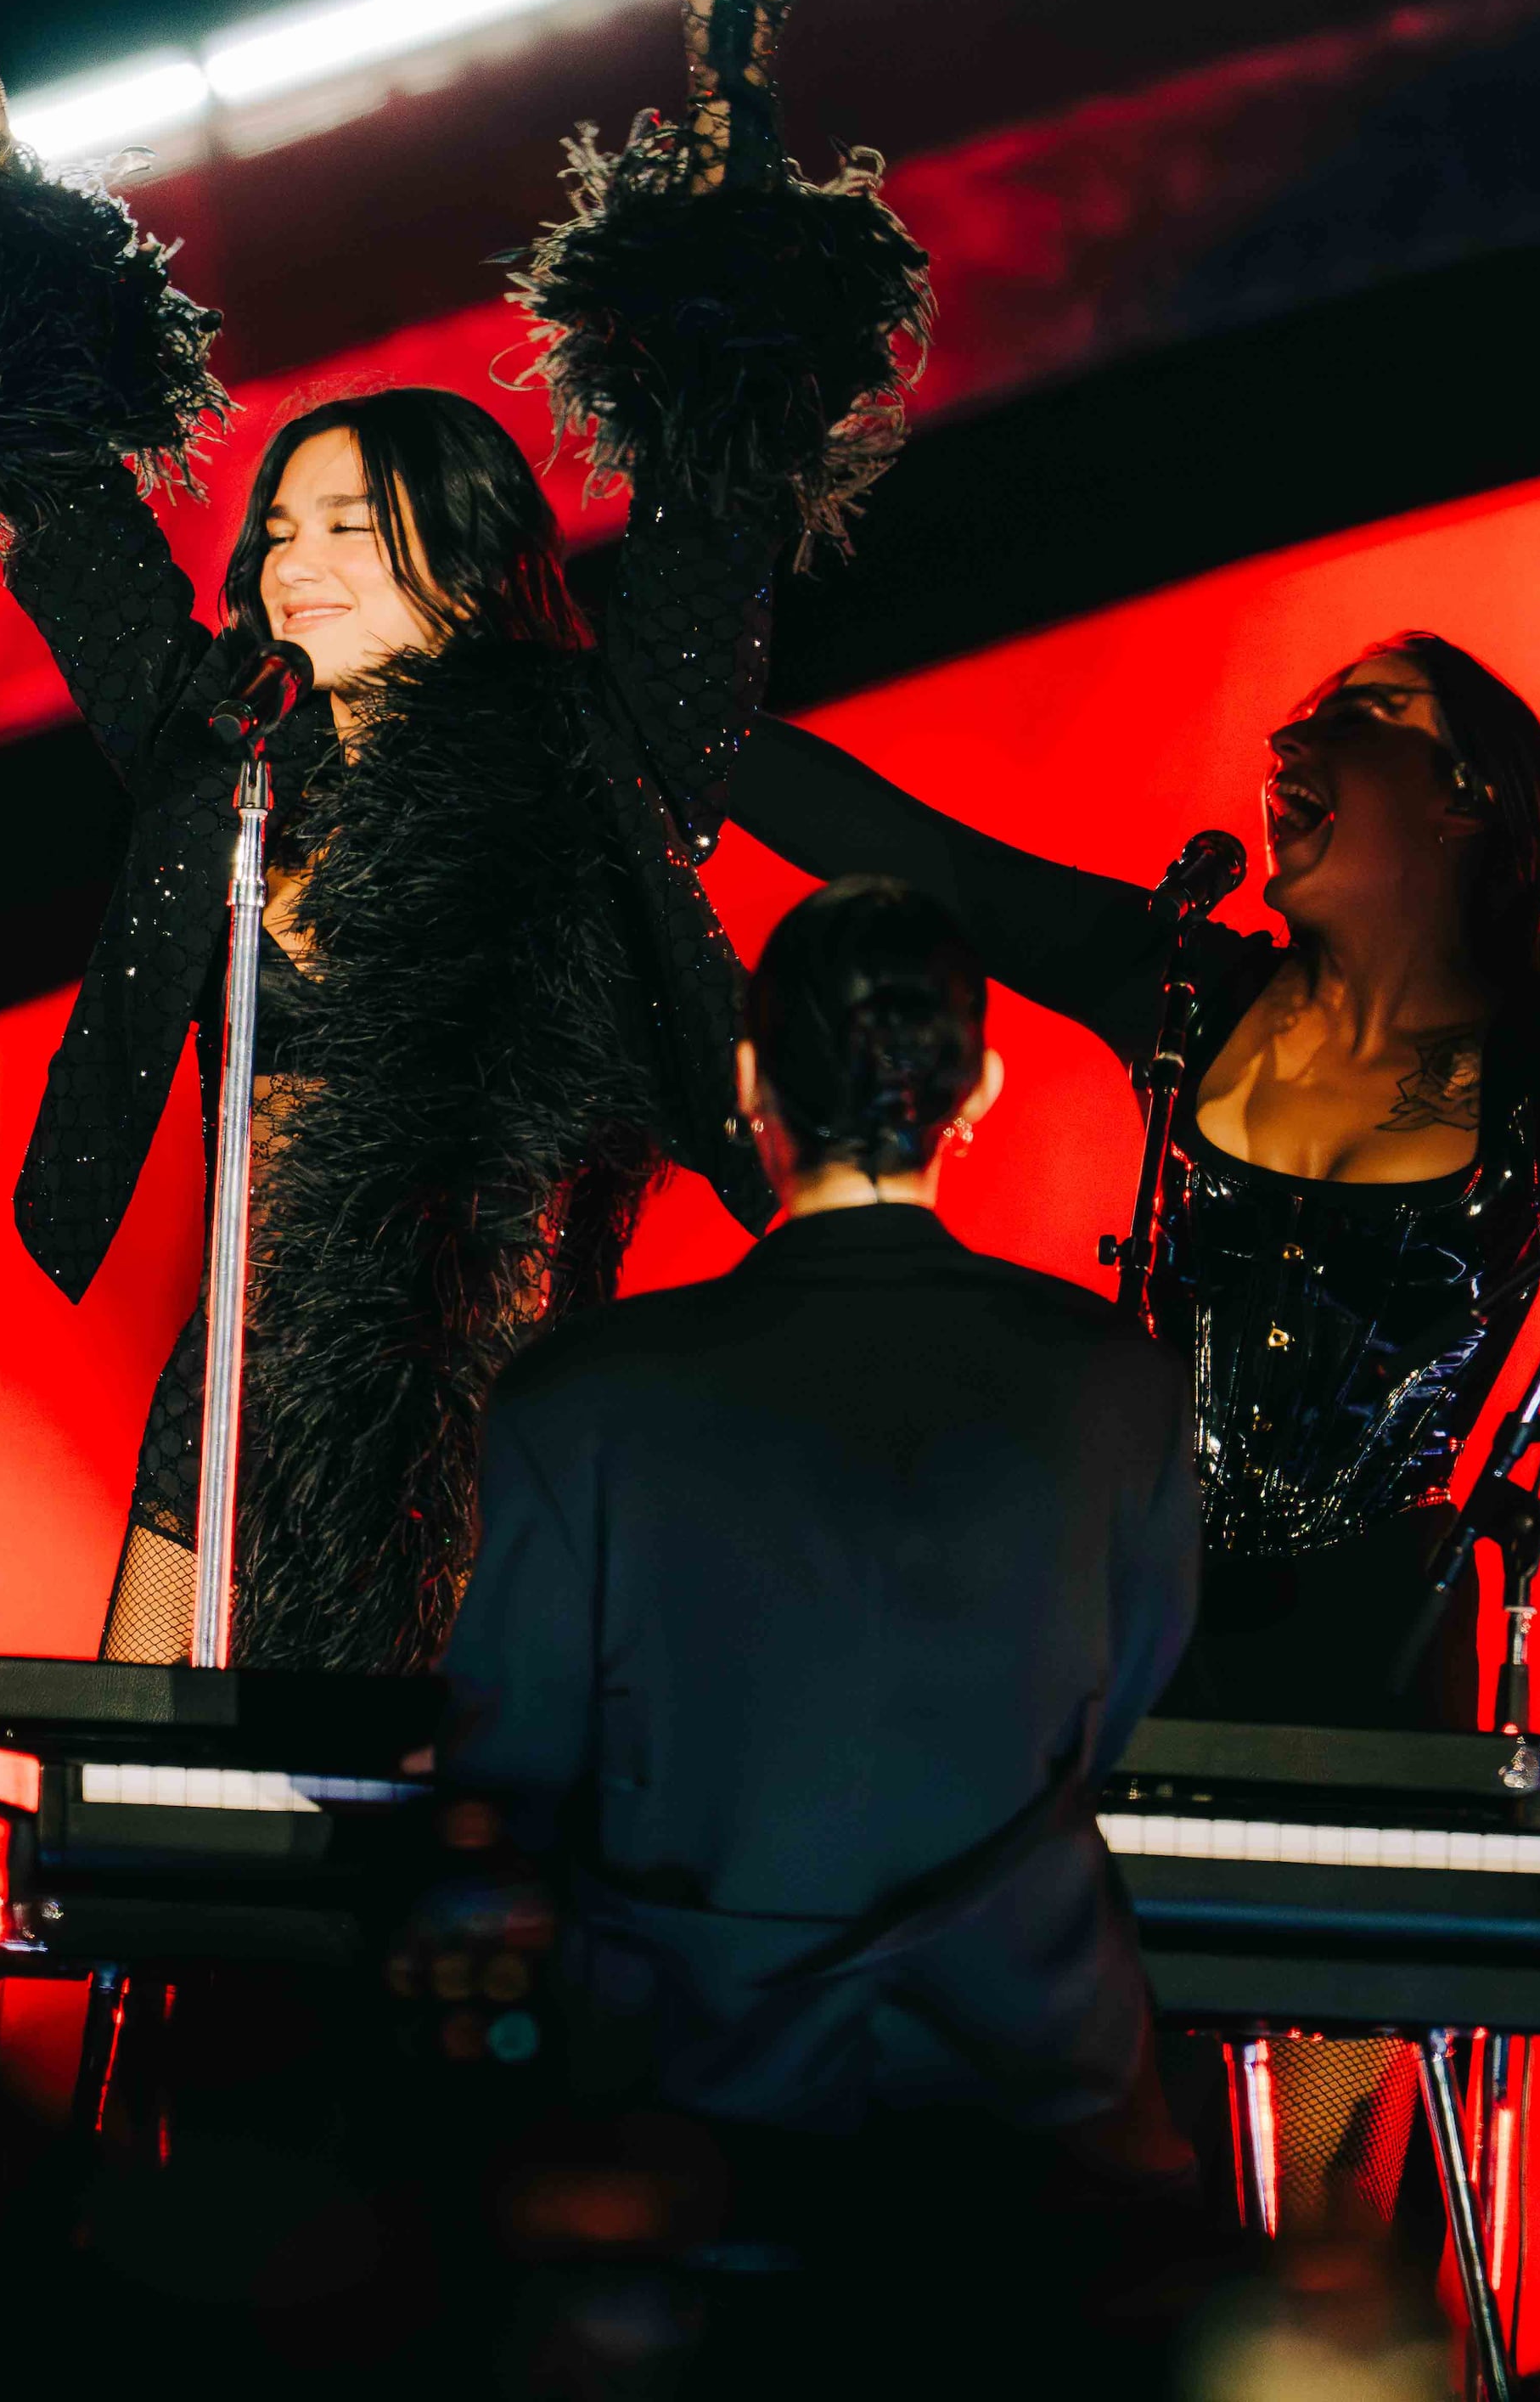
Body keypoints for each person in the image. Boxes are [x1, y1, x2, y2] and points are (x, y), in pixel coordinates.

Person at [719, 245, 1540, 2218]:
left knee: (1296, 2223)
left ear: (1468, 793)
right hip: (1116, 1645)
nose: (1292, 744)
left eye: (1355, 720)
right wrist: (657, 681)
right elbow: (900, 847)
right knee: (1079, 2189)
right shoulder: (1180, 986)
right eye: (1291, 720)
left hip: (1379, 1677)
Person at [0, 0, 929, 1669]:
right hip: (229, 1429)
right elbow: (57, 481)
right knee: (157, 1857)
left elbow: (723, 470)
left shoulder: (598, 744)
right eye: (276, 527)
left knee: (438, 1892)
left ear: (468, 556)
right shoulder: (224, 751)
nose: (284, 557)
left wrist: (732, 58)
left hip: (510, 1457)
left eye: (344, 523)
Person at [441, 876, 1200, 2393]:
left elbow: (508, 1767)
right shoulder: (1116, 1380)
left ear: (748, 1082)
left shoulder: (580, 1393)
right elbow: (1113, 1712)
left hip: (684, 2101)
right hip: (1029, 2104)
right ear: (977, 1087)